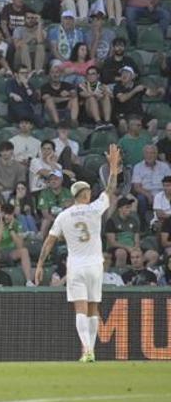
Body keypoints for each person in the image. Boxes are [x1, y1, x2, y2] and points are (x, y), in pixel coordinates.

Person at [35, 145, 123, 361]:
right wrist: (112, 168)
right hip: (95, 265)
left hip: (76, 266)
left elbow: (49, 241)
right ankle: (90, 350)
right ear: (85, 194)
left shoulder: (64, 215)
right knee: (93, 308)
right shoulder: (94, 209)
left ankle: (87, 349)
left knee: (80, 309)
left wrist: (39, 265)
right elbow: (110, 190)